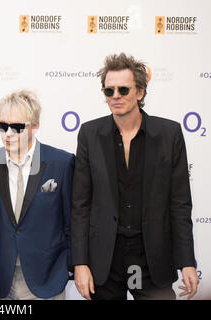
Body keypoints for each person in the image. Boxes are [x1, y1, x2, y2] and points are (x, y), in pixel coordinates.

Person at [71, 53, 199, 300]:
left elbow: (180, 205)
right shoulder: (89, 134)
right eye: (109, 91)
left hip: (152, 258)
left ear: (140, 92)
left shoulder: (169, 134)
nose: (115, 96)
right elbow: (80, 205)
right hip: (105, 259)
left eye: (123, 89)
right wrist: (80, 263)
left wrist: (187, 262)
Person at [0, 90, 74, 300]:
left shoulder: (61, 163)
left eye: (16, 127)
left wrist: (70, 266)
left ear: (35, 125)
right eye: (2, 126)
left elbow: (73, 221)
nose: (8, 133)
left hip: (47, 276)